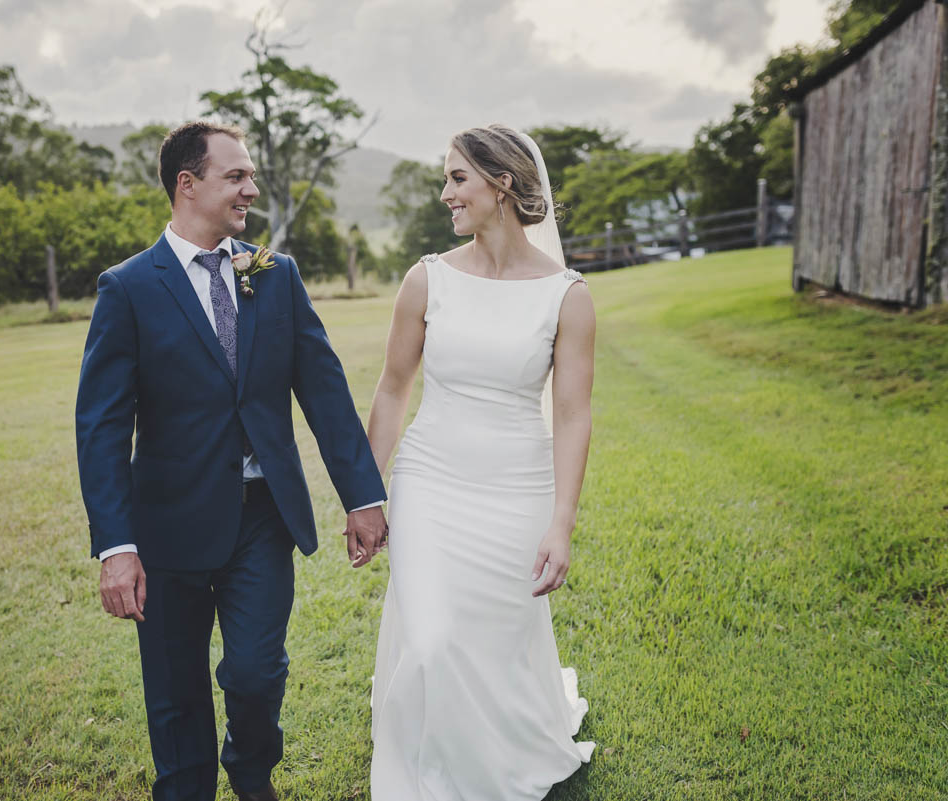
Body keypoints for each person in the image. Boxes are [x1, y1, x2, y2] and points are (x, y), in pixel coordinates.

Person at [74, 121, 388, 801]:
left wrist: (362, 495)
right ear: (187, 184)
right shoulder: (127, 288)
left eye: (250, 175)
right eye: (236, 175)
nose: (252, 187)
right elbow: (100, 427)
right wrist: (116, 546)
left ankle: (251, 770)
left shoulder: (273, 274)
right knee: (175, 690)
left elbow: (325, 391)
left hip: (261, 519)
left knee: (255, 672)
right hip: (167, 529)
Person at [366, 124, 598, 799]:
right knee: (434, 638)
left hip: (518, 489)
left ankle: (504, 750)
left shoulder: (567, 296)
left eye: (458, 178)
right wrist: (364, 493)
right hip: (431, 481)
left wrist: (561, 522)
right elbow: (391, 388)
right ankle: (427, 768)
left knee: (495, 642)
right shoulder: (427, 278)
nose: (446, 194)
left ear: (502, 184)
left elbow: (574, 415)